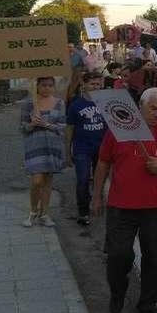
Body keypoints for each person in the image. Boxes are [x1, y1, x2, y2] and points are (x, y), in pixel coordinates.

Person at [92, 88, 157, 313]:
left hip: (156, 206)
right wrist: (96, 196)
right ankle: (118, 291)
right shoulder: (119, 129)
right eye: (153, 108)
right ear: (140, 105)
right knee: (118, 254)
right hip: (122, 205)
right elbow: (103, 162)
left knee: (155, 256)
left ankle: (148, 302)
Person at [20, 77, 66, 228]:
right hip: (34, 145)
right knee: (37, 180)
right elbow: (22, 128)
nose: (47, 88)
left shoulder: (59, 103)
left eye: (50, 86)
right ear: (37, 86)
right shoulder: (29, 103)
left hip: (52, 145)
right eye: (43, 85)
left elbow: (62, 126)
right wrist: (32, 124)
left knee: (47, 181)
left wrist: (46, 124)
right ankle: (33, 211)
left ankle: (44, 213)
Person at [65, 72, 107, 226]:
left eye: (98, 84)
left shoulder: (105, 103)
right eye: (92, 84)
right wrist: (67, 152)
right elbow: (69, 129)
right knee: (82, 180)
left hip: (101, 148)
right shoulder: (76, 104)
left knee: (99, 179)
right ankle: (83, 211)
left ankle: (97, 202)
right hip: (82, 148)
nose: (96, 87)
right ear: (84, 84)